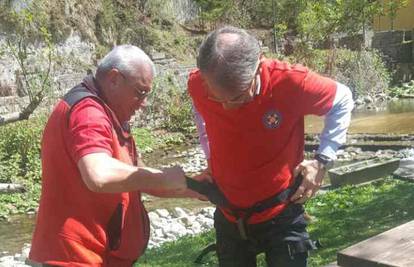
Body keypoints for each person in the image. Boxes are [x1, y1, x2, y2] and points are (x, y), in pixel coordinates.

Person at [188, 26, 354, 267]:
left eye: (237, 98)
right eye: (217, 98)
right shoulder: (198, 84)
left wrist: (322, 160)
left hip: (282, 214)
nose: (226, 107)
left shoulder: (291, 82)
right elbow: (201, 114)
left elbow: (343, 99)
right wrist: (211, 158)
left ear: (259, 65)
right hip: (229, 215)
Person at [29, 45, 192, 266]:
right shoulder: (88, 113)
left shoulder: (109, 113)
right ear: (114, 78)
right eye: (140, 92)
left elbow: (136, 175)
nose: (143, 103)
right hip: (75, 258)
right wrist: (163, 178)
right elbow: (99, 175)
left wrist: (195, 188)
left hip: (98, 257)